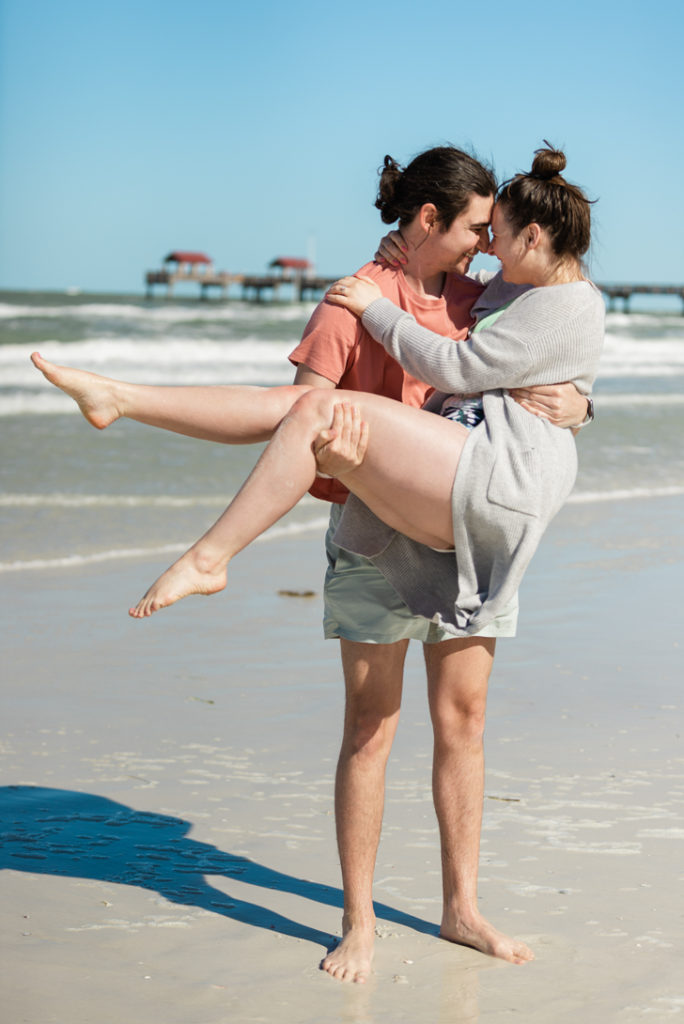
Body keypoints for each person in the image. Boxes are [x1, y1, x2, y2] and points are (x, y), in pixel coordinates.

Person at [31, 144, 595, 981]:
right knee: (370, 732)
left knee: (464, 724)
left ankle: (462, 907)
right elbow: (294, 428)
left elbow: (551, 340)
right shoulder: (350, 303)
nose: (485, 243)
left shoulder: (486, 296)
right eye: (475, 228)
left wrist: (583, 400)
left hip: (467, 532)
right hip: (376, 539)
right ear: (429, 220)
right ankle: (359, 919)